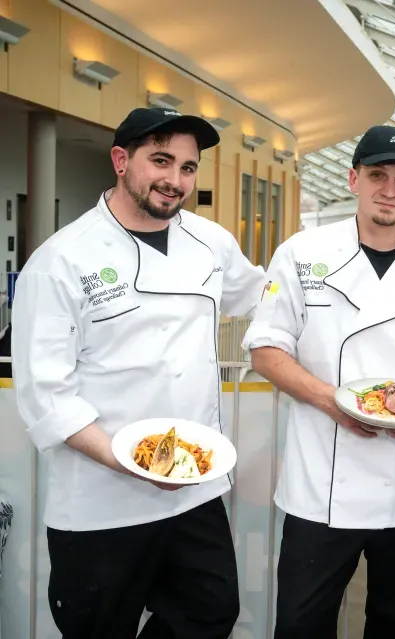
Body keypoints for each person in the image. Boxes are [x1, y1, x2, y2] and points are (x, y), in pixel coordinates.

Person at [11, 107, 267, 638]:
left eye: (189, 168)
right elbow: (46, 395)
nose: (175, 181)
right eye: (161, 160)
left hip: (194, 487)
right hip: (101, 498)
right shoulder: (62, 260)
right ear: (121, 160)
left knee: (211, 612)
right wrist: (131, 462)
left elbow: (259, 294)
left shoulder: (211, 242)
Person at [241, 125, 395, 639]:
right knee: (302, 624)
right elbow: (265, 350)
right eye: (377, 175)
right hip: (322, 479)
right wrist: (333, 401)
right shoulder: (302, 254)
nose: (390, 190)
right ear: (353, 179)